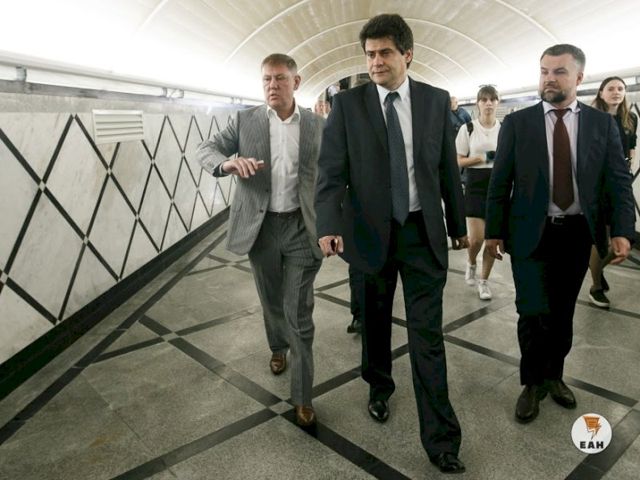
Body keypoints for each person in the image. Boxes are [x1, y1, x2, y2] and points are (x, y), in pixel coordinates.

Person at [315, 14, 468, 474]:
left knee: (427, 336)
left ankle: (441, 440)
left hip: (422, 233)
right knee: (375, 322)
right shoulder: (348, 105)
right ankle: (379, 387)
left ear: (407, 54)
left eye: (384, 52)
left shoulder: (435, 101)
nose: (375, 62)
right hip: (367, 233)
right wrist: (328, 224)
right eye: (369, 54)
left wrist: (457, 223)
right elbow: (331, 173)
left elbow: (445, 167)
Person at [485, 44, 635, 425]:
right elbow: (499, 182)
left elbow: (618, 181)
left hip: (576, 235)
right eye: (544, 71)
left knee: (562, 312)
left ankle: (554, 375)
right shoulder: (518, 124)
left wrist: (622, 230)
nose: (549, 79)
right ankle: (531, 383)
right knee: (532, 310)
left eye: (559, 72)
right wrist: (493, 232)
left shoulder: (601, 125)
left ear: (579, 78)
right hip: (529, 233)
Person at [196, 53, 324, 427]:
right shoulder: (245, 121)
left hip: (301, 228)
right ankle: (277, 347)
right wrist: (228, 164)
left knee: (299, 312)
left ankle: (303, 398)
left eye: (280, 78)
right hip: (261, 228)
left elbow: (333, 175)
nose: (272, 85)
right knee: (271, 299)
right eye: (266, 79)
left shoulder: (317, 125)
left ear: (296, 82)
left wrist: (336, 225)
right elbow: (206, 149)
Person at [587, 76, 638, 308]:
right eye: (611, 88)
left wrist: (628, 163)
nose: (616, 92)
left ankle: (597, 271)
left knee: (622, 234)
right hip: (597, 184)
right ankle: (596, 286)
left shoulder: (630, 118)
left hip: (619, 182)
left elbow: (631, 145)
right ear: (601, 92)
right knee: (601, 237)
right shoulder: (591, 119)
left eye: (620, 88)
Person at [455, 85, 501, 300]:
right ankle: (471, 262)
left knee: (492, 239)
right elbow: (458, 160)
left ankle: (484, 281)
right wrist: (482, 158)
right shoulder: (468, 129)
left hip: (497, 186)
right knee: (476, 239)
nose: (488, 103)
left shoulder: (504, 129)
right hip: (475, 185)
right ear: (478, 104)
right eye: (484, 100)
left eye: (493, 99)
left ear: (498, 103)